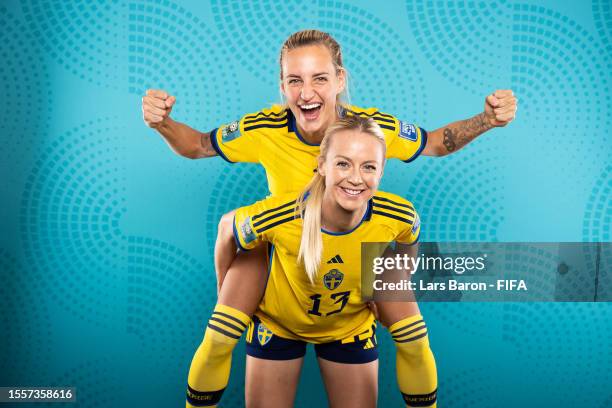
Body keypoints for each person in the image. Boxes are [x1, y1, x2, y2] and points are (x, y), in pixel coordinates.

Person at [141, 30, 516, 407]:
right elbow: (199, 146)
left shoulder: (369, 132)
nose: (307, 93)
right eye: (295, 80)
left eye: (320, 78)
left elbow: (434, 143)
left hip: (348, 288)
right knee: (221, 332)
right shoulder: (265, 138)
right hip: (285, 268)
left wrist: (486, 119)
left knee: (414, 337)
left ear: (340, 79)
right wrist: (163, 123)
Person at [188, 115, 434, 407]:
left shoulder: (397, 216)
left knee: (417, 341)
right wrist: (224, 288)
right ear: (322, 166)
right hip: (279, 321)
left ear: (381, 172)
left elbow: (409, 243)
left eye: (368, 167)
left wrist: (385, 289)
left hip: (348, 324)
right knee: (218, 337)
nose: (355, 178)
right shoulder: (284, 215)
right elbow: (228, 228)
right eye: (343, 163)